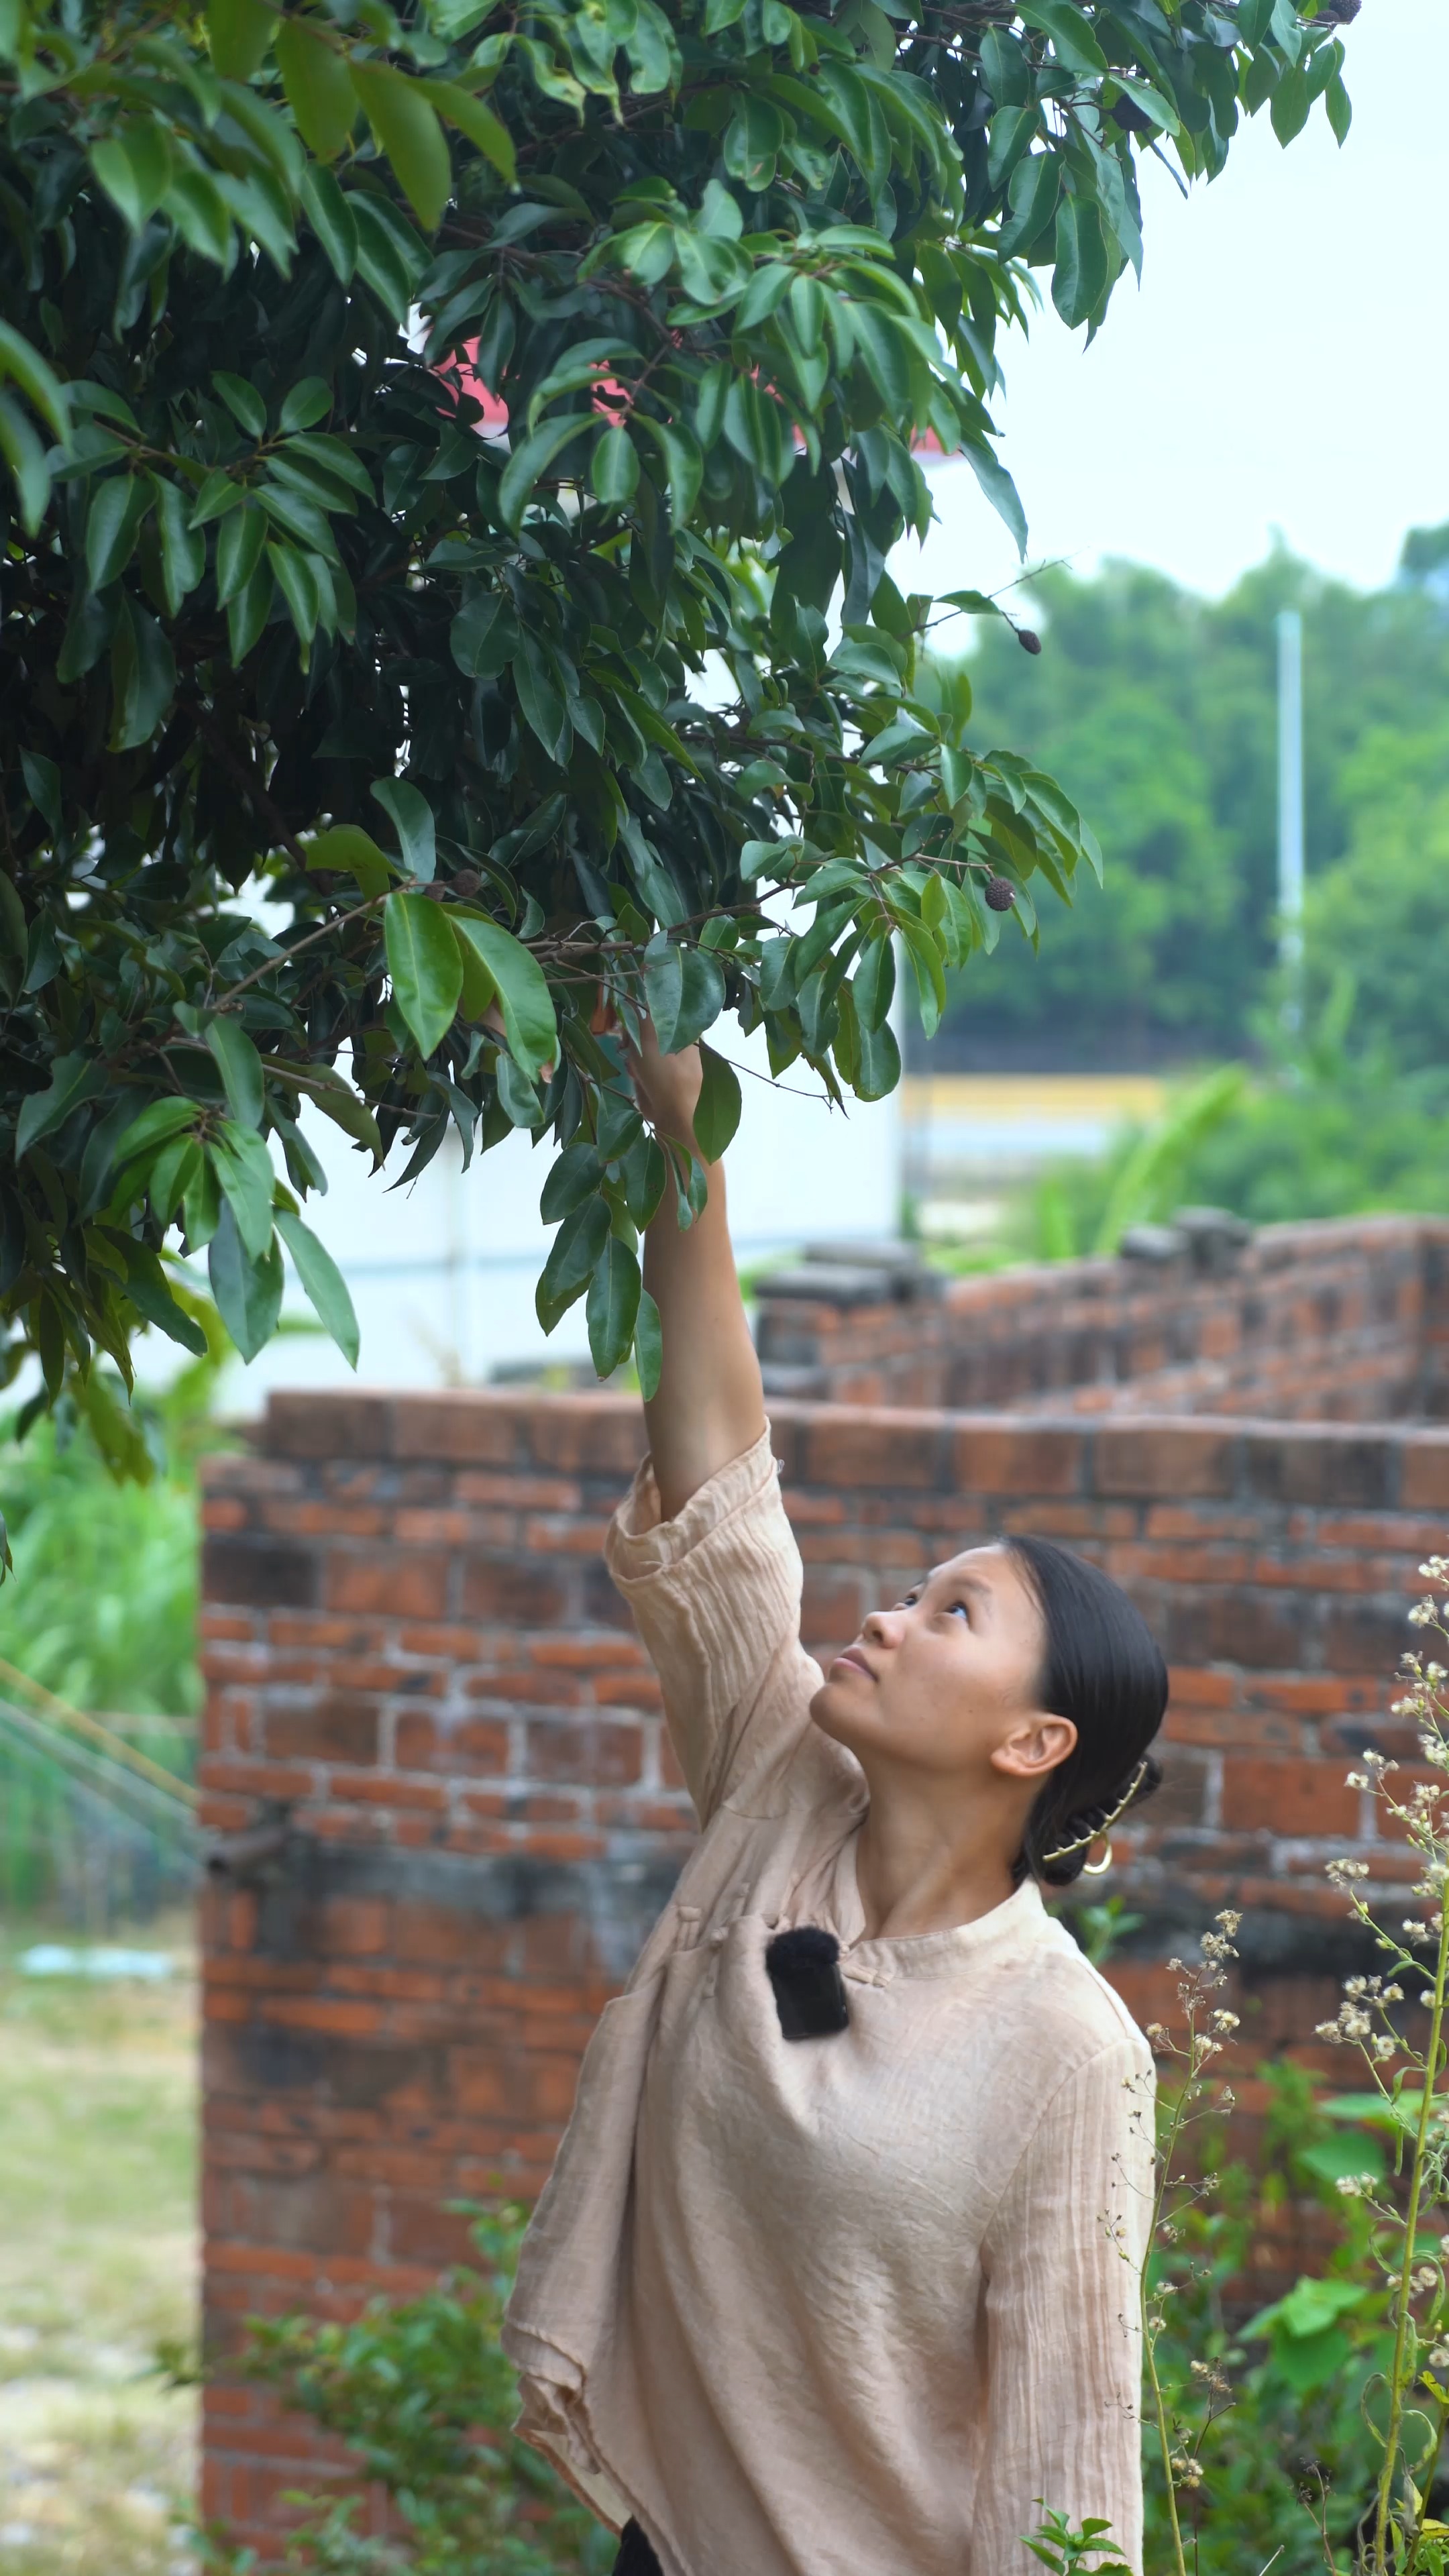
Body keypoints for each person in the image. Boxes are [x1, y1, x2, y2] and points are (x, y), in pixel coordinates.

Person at [502, 1027, 1169, 2576]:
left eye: (952, 1617)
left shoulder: (1068, 2053)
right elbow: (726, 1486)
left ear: (1033, 1742)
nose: (879, 1619)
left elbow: (1066, 2463)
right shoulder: (780, 1775)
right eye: (911, 1593)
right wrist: (688, 1148)